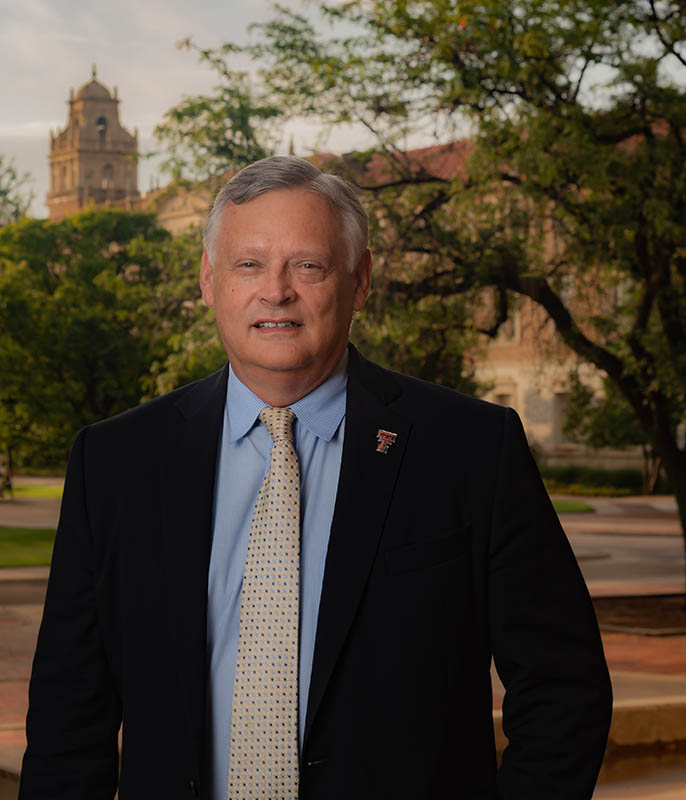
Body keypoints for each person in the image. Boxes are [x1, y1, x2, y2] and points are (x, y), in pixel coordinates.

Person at [19, 156, 612, 800]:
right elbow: (67, 720)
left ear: (358, 283)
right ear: (209, 282)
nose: (276, 291)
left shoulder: (470, 450)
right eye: (249, 265)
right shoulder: (114, 461)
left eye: (308, 265)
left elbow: (562, 688)